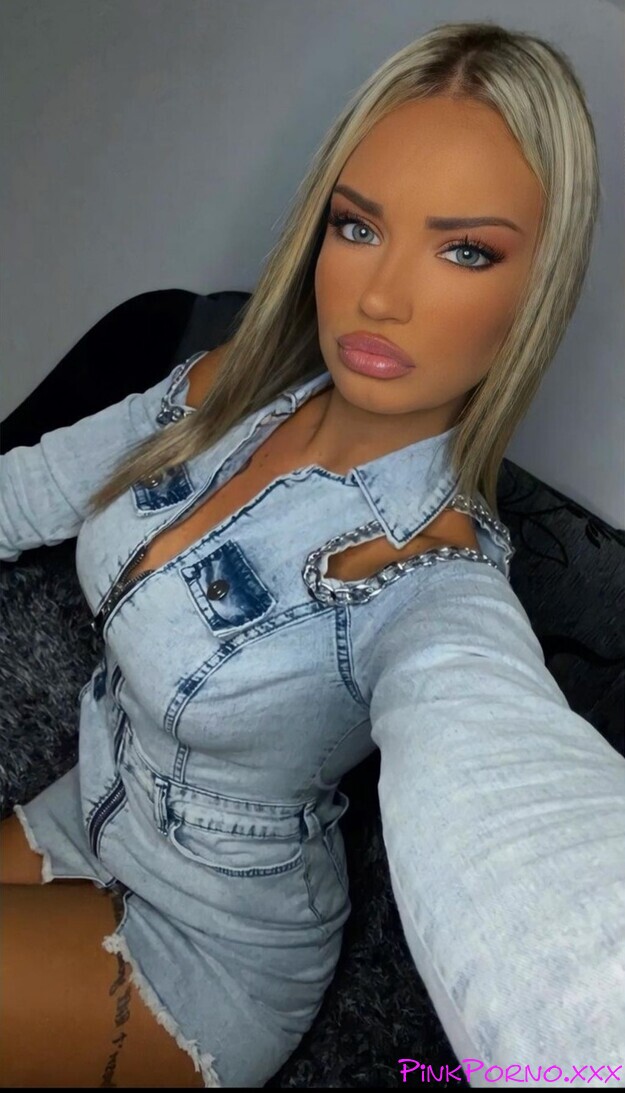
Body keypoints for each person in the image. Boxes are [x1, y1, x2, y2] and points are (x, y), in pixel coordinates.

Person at [1, 18, 623, 1091]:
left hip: (210, 949)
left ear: (534, 291)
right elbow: (30, 490)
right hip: (90, 798)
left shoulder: (432, 576)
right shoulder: (226, 388)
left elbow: (521, 839)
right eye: (358, 225)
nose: (379, 295)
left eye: (465, 250)